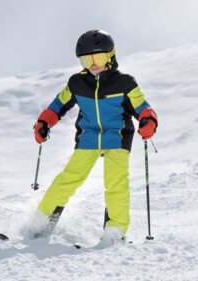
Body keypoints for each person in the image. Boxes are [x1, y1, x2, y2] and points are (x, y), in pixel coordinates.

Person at [24, 30, 158, 247]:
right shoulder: (77, 83)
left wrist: (148, 120)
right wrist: (43, 122)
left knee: (116, 183)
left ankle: (115, 231)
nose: (93, 64)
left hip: (117, 137)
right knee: (67, 180)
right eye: (87, 60)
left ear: (110, 56)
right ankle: (40, 224)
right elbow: (58, 105)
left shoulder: (124, 83)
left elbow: (143, 107)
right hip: (88, 138)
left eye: (99, 58)